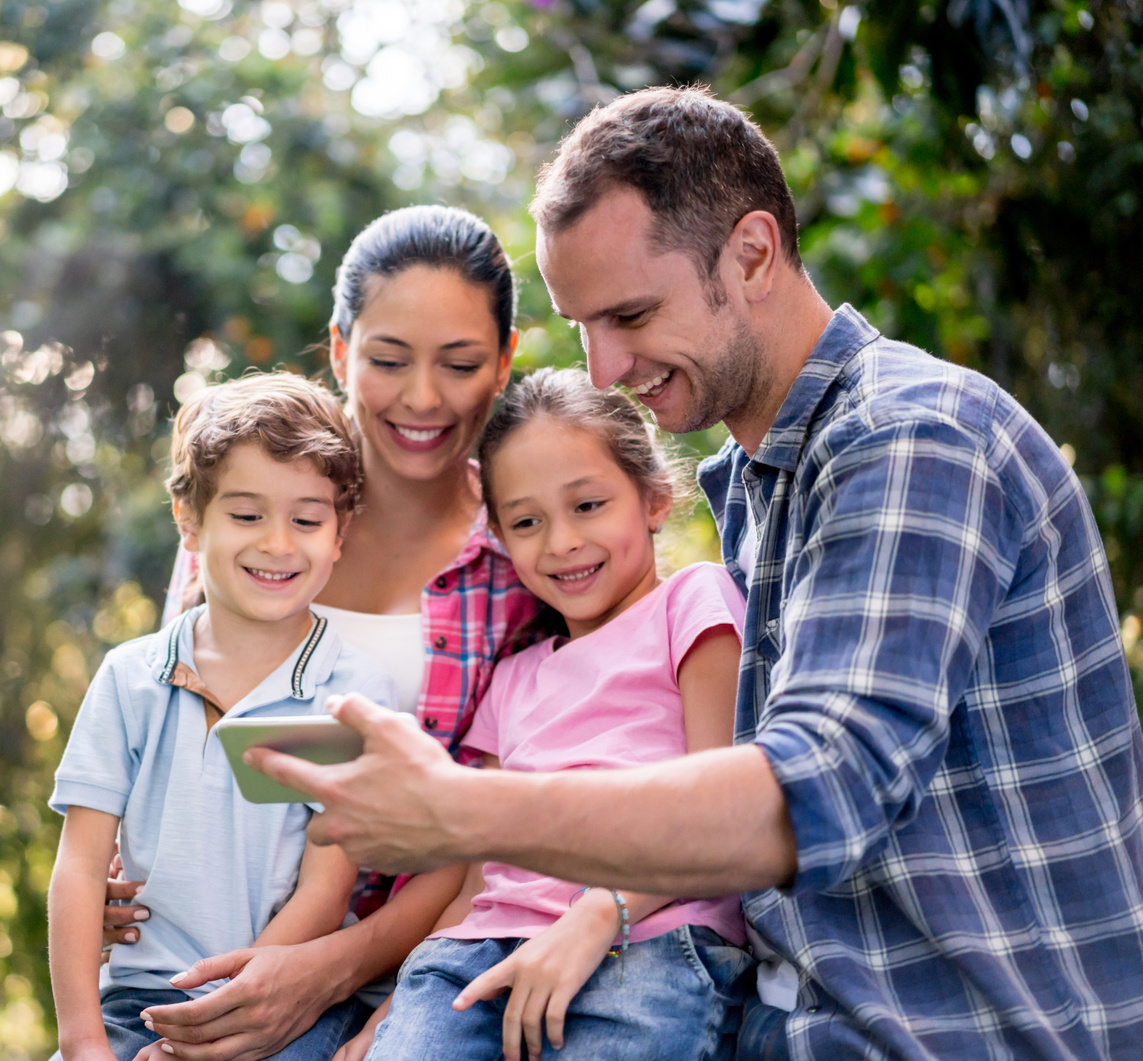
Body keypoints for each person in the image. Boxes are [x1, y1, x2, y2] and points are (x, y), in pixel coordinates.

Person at [248, 86, 1143, 1061]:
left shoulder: (907, 439)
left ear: (751, 253)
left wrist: (457, 809)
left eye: (629, 312)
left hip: (950, 1030)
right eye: (581, 322)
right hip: (774, 1019)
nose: (601, 368)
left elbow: (818, 790)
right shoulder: (760, 485)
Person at [95, 206, 543, 1061]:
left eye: (458, 363)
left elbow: (494, 839)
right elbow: (157, 747)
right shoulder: (258, 532)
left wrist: (327, 967)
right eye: (386, 359)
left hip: (412, 984)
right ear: (339, 350)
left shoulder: (527, 554)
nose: (421, 397)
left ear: (503, 362)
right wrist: (104, 877)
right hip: (191, 967)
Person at [357, 367, 752, 1061]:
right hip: (476, 954)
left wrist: (604, 911)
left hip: (648, 938)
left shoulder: (693, 601)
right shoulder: (511, 677)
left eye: (588, 505)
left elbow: (725, 811)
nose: (561, 541)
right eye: (527, 521)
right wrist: (386, 1019)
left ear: (654, 498)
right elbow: (479, 879)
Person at [46, 373, 398, 1061]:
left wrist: (218, 1020)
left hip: (281, 1001)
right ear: (189, 521)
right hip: (135, 1002)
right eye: (246, 515)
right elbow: (80, 868)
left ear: (339, 533)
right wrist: (84, 1042)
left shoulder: (350, 690)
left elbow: (324, 895)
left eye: (306, 519)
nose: (276, 544)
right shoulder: (129, 678)